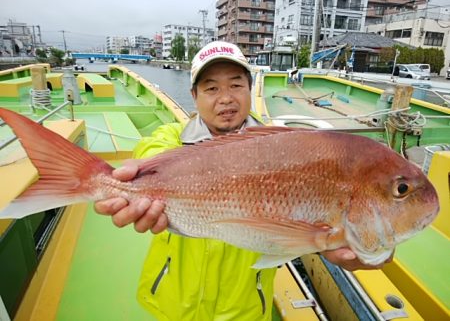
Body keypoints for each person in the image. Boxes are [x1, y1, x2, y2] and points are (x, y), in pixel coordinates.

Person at [95, 41, 391, 320]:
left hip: (244, 311)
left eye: (236, 85)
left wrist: (352, 245)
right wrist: (140, 174)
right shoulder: (171, 139)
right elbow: (150, 153)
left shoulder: (281, 150)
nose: (226, 98)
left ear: (251, 89)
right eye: (211, 88)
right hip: (173, 305)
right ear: (194, 96)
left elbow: (309, 215)